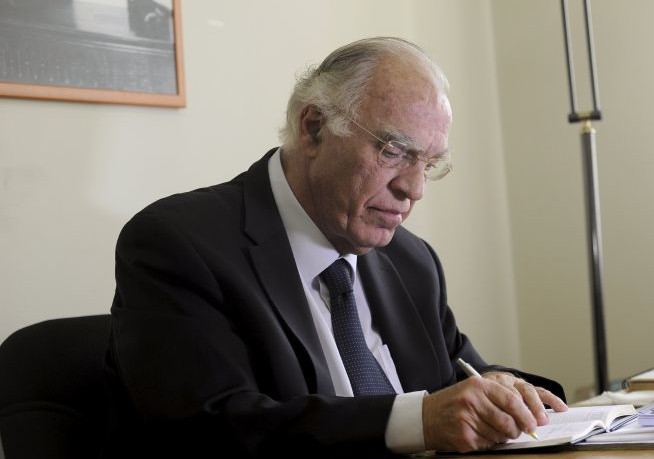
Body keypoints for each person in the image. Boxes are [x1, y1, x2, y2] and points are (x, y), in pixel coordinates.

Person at [103, 36, 567, 458]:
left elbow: (459, 377)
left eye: (429, 163)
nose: (414, 188)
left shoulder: (412, 260)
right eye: (394, 152)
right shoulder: (180, 244)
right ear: (314, 128)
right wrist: (416, 421)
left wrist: (502, 389)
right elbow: (210, 432)